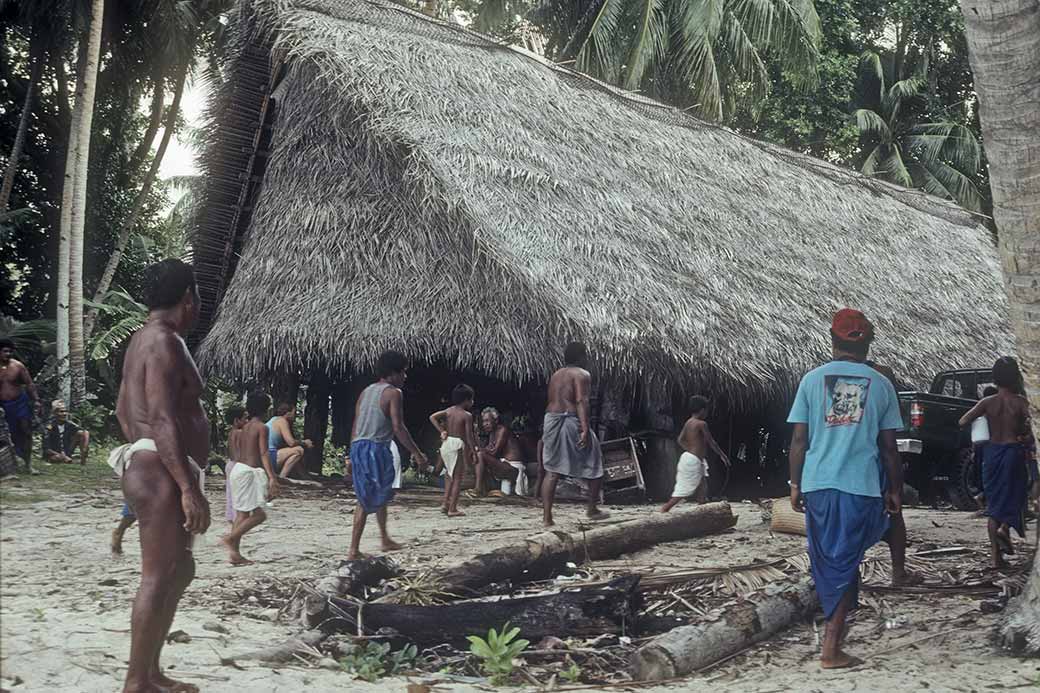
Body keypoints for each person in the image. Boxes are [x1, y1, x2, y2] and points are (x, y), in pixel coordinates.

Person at [112, 259, 211, 693]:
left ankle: (151, 673)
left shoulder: (141, 340)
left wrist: (145, 452)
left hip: (155, 463)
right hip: (163, 470)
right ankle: (137, 680)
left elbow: (121, 410)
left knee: (180, 568)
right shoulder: (166, 342)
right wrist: (185, 485)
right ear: (188, 297)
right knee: (157, 575)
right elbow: (164, 417)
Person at [788, 309, 903, 670]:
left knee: (833, 561)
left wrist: (795, 484)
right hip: (861, 487)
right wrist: (895, 489)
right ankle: (831, 649)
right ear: (868, 343)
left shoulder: (811, 380)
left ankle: (835, 640)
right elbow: (889, 448)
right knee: (844, 559)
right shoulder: (882, 384)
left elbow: (798, 440)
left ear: (832, 340)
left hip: (819, 484)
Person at [959, 357, 1039, 568]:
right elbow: (1031, 431)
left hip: (992, 453)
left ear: (994, 379)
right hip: (1013, 452)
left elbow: (963, 420)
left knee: (994, 503)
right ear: (1016, 378)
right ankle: (1005, 528)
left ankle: (996, 558)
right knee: (1016, 494)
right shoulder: (1021, 402)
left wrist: (983, 429)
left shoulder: (987, 402)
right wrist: (1025, 435)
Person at [348, 350, 428, 560]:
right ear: (394, 372)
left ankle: (384, 538)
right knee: (365, 499)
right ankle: (353, 550)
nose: (405, 376)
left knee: (379, 491)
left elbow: (356, 424)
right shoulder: (394, 393)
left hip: (360, 446)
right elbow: (398, 426)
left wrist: (351, 455)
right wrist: (417, 453)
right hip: (375, 448)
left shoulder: (366, 391)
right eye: (404, 372)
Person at [541, 341, 609, 527]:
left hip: (551, 419)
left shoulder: (556, 374)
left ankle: (547, 518)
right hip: (570, 419)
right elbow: (581, 400)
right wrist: (585, 428)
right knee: (596, 463)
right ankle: (592, 508)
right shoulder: (582, 374)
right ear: (581, 357)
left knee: (552, 470)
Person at [222, 393, 279, 566]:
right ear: (266, 409)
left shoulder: (244, 427)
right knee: (259, 515)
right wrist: (272, 477)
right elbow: (263, 452)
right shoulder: (262, 427)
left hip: (238, 469)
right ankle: (230, 539)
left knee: (242, 514)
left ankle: (235, 554)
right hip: (248, 472)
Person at [660, 396, 730, 512]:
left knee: (702, 484)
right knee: (683, 490)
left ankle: (702, 507)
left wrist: (690, 450)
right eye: (707, 410)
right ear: (702, 410)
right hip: (693, 460)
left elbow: (680, 440)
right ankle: (665, 508)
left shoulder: (688, 423)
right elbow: (711, 442)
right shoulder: (701, 424)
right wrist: (723, 456)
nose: (707, 413)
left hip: (693, 459)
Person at [429, 385, 478, 516]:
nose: (472, 402)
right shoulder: (467, 415)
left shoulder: (448, 411)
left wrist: (442, 431)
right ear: (466, 400)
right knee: (458, 478)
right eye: (471, 399)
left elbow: (432, 417)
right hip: (457, 445)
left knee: (448, 475)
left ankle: (445, 504)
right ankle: (453, 508)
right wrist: (473, 451)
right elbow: (469, 436)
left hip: (446, 444)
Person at [0, 336, 40, 474]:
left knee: (26, 431)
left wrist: (36, 400)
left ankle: (28, 465)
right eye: (5, 351)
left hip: (20, 403)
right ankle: (9, 464)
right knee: (8, 435)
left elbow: (29, 384)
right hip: (3, 406)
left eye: (10, 351)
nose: (8, 354)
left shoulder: (17, 366)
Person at [474, 407, 529, 497]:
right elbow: (489, 450)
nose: (485, 424)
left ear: (496, 420)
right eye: (483, 421)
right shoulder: (492, 433)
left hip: (514, 469)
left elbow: (494, 452)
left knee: (480, 455)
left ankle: (478, 489)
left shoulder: (502, 430)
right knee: (478, 457)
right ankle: (483, 489)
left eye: (487, 421)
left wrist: (480, 449)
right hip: (505, 466)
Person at [267, 403, 312, 479]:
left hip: (265, 457)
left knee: (294, 453)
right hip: (270, 457)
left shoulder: (274, 420)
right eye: (294, 413)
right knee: (299, 450)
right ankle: (282, 478)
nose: (295, 415)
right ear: (288, 413)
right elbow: (291, 442)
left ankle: (304, 477)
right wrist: (305, 442)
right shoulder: (282, 421)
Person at [43, 399, 90, 465]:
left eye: (66, 411)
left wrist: (84, 449)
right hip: (55, 453)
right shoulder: (49, 426)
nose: (64, 414)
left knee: (84, 433)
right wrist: (63, 457)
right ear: (55, 413)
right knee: (56, 458)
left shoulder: (69, 424)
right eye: (61, 412)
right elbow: (46, 448)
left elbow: (84, 433)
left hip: (67, 451)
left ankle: (83, 459)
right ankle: (66, 459)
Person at [224, 405, 248, 524]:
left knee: (231, 493)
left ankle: (231, 515)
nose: (247, 421)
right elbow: (239, 454)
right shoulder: (240, 433)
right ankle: (237, 517)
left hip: (230, 464)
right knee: (239, 493)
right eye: (245, 418)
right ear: (236, 420)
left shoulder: (231, 433)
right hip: (237, 465)